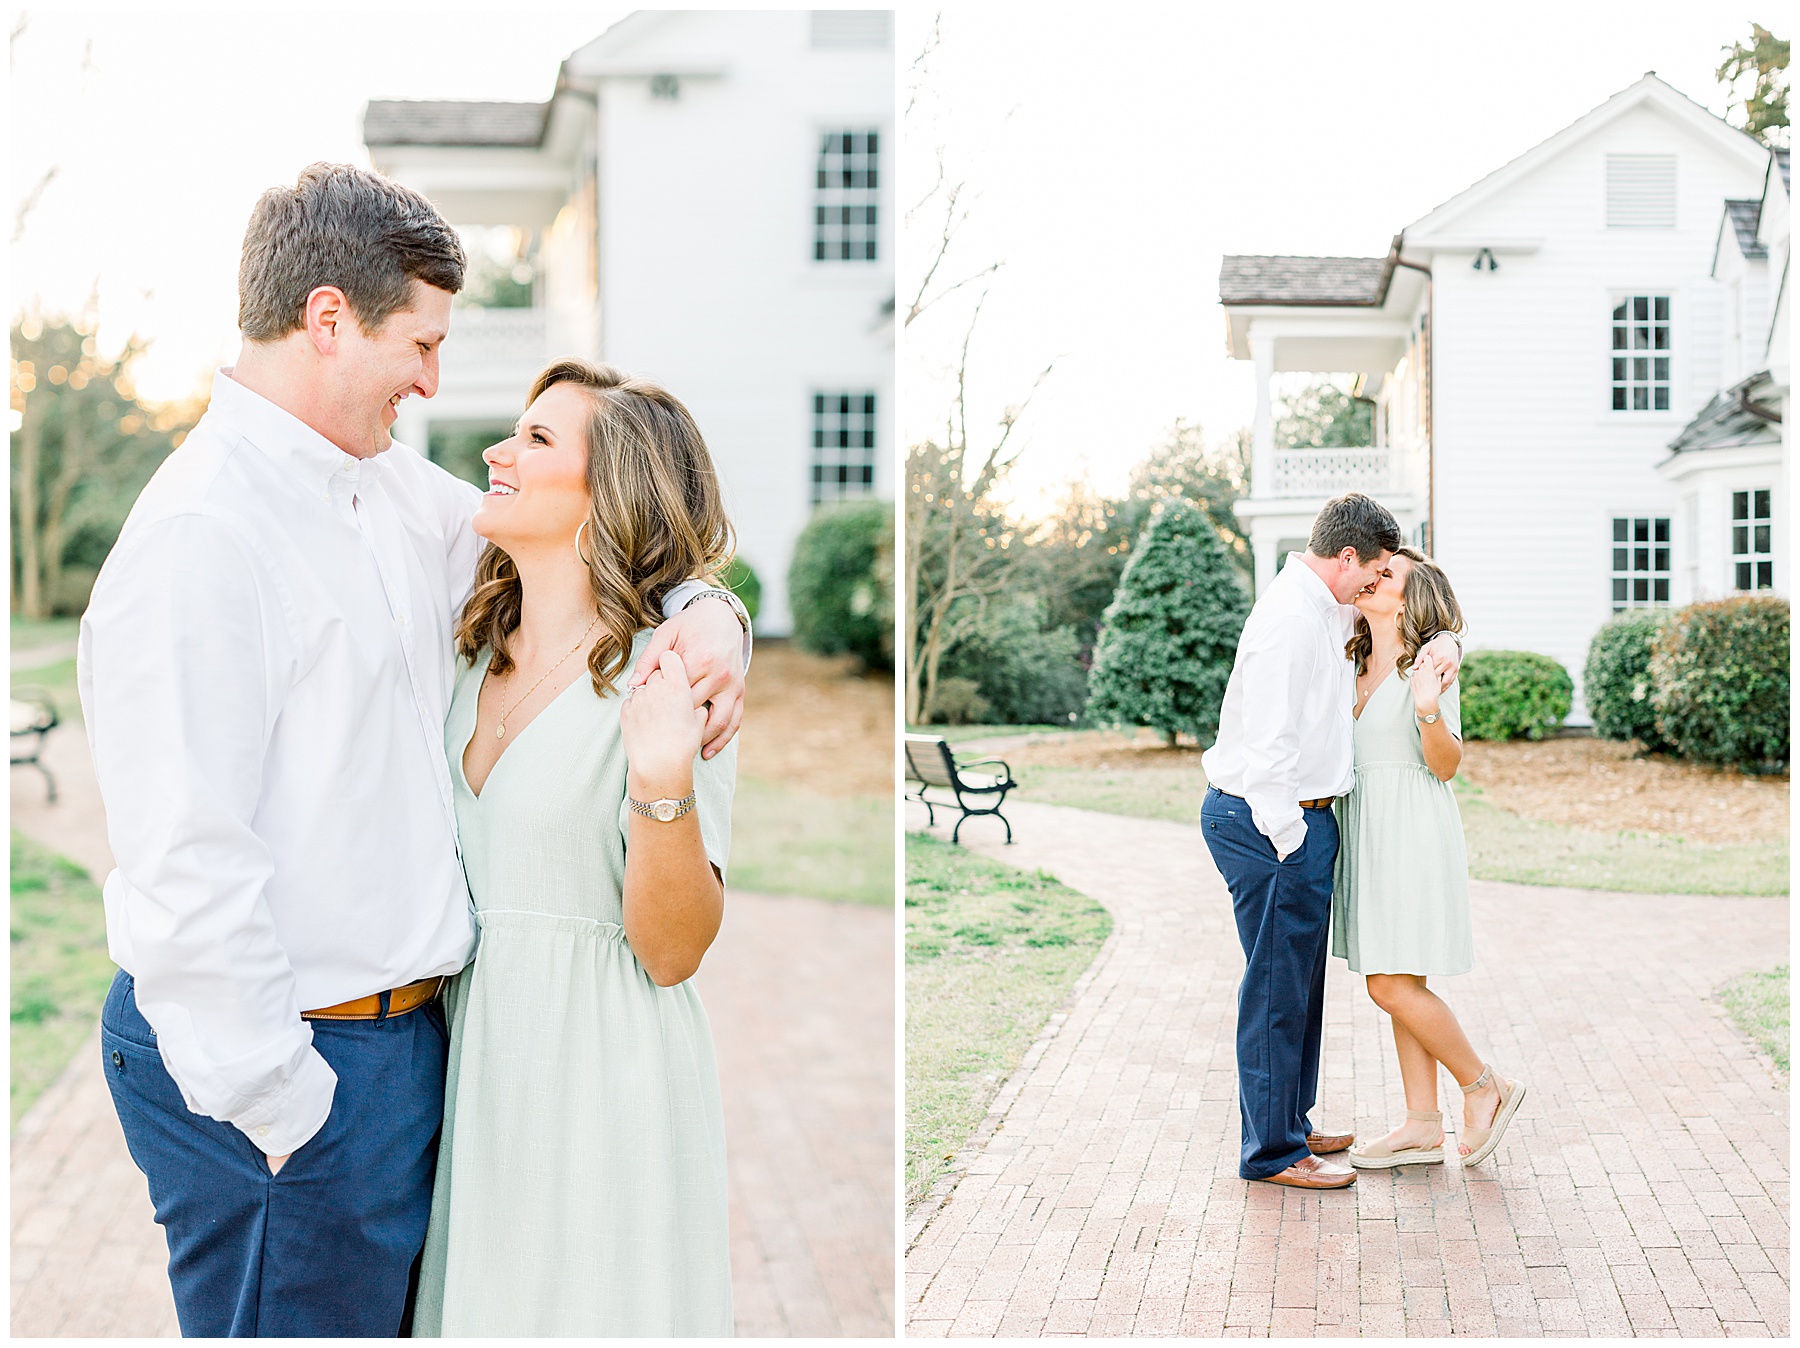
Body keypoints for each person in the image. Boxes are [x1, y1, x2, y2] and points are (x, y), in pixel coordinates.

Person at [79, 164, 751, 1338]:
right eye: (421, 343)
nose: (438, 383)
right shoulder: (203, 534)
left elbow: (606, 548)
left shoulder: (387, 492)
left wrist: (708, 610)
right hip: (293, 1067)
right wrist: (291, 1113)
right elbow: (185, 863)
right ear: (328, 318)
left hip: (414, 1055)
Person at [411, 359, 737, 1335]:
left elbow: (674, 950)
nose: (497, 453)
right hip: (480, 1068)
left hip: (606, 1073)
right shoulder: (471, 644)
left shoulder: (674, 670)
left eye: (538, 439)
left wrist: (663, 778)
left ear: (616, 489)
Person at [1200, 493, 1461, 1189]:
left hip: (1304, 818)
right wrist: (1291, 840)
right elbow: (1270, 747)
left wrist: (1448, 641)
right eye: (1373, 573)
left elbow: (1418, 616)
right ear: (1349, 558)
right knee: (1275, 990)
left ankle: (1288, 1121)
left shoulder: (1327, 606)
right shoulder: (1290, 618)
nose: (1376, 585)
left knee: (1298, 985)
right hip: (1271, 820)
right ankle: (1274, 1153)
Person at [1334, 547, 1527, 1170]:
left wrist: (1426, 705)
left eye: (1386, 575)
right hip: (1366, 824)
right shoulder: (1352, 651)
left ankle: (1482, 1087)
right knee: (1398, 979)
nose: (1371, 577)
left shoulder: (1433, 664)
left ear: (1412, 598)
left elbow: (1445, 766)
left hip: (1412, 828)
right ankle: (1421, 1125)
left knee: (1389, 982)